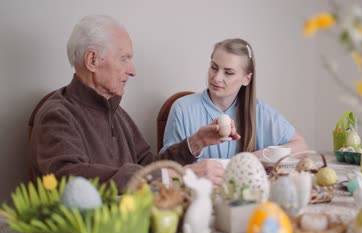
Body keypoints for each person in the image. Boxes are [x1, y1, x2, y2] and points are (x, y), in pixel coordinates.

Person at [29, 15, 239, 191]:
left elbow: (149, 168)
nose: (133, 70)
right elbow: (68, 178)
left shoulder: (117, 114)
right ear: (92, 60)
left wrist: (196, 142)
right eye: (124, 58)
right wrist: (177, 177)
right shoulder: (56, 114)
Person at [162, 38, 308, 160]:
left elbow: (301, 147)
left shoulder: (259, 111)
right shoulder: (182, 109)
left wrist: (251, 159)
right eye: (214, 67)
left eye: (228, 72)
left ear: (246, 79)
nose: (217, 78)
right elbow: (165, 166)